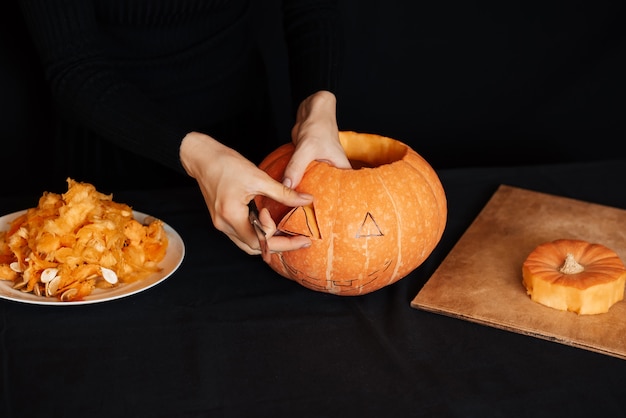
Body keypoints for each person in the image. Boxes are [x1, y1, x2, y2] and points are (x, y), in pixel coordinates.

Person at [18, 0, 351, 261]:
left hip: (244, 150)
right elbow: (73, 67)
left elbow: (312, 7)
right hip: (111, 160)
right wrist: (201, 157)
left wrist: (318, 106)